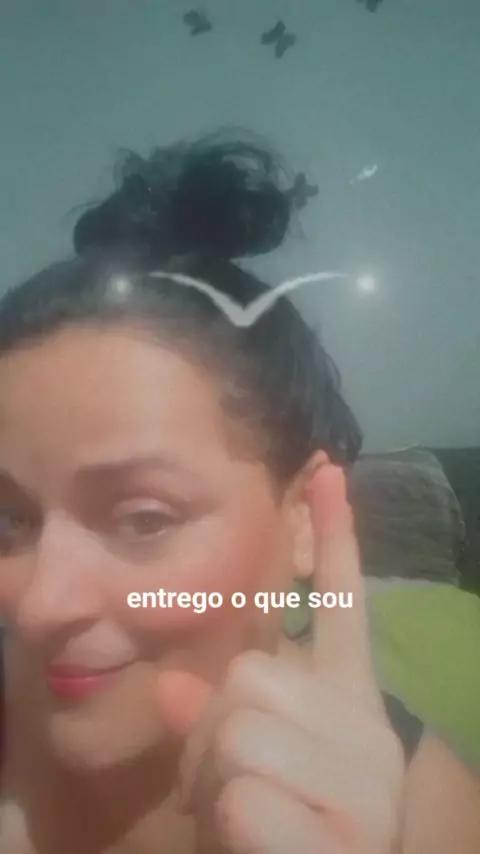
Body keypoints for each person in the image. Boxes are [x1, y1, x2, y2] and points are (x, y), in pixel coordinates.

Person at [0, 131, 478, 854]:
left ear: (303, 519)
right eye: (9, 521)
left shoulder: (422, 811)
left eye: (143, 518)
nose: (38, 607)